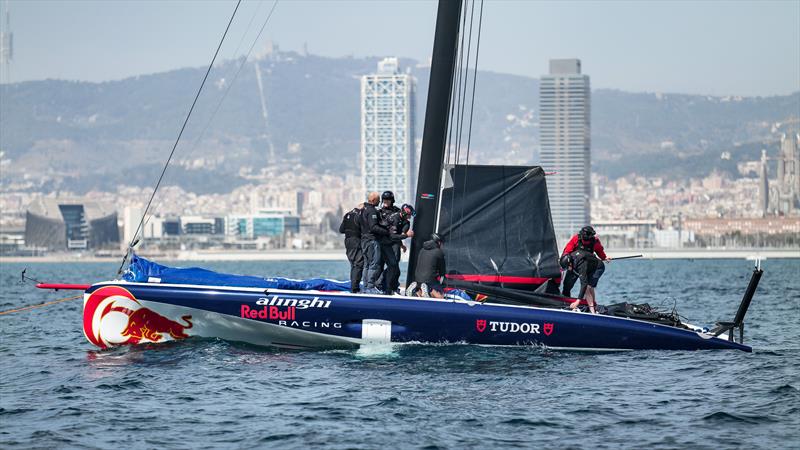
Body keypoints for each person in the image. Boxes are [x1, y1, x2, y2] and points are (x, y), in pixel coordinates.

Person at [559, 226, 610, 313]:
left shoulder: (595, 241)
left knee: (589, 287)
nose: (585, 241)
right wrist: (566, 261)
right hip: (573, 264)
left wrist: (604, 258)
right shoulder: (575, 239)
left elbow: (600, 251)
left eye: (588, 239)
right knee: (567, 286)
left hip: (587, 266)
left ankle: (592, 307)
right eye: (584, 239)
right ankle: (566, 304)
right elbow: (566, 251)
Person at [359, 192, 390, 294]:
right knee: (374, 264)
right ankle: (370, 287)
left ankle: (365, 286)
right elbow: (373, 227)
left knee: (367, 265)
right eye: (377, 200)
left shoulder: (363, 210)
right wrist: (386, 231)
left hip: (363, 240)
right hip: (371, 241)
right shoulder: (372, 211)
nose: (379, 202)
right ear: (373, 200)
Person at [382, 203, 415, 294]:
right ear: (404, 213)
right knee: (393, 266)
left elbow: (398, 234)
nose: (409, 217)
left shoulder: (405, 222)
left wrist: (401, 244)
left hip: (394, 243)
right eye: (409, 215)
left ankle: (392, 286)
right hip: (385, 244)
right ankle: (386, 287)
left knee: (395, 267)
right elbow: (393, 236)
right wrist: (406, 236)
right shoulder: (395, 219)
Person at [374, 191, 401, 292]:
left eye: (388, 200)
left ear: (392, 200)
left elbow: (401, 227)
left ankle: (392, 286)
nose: (386, 202)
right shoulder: (379, 212)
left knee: (394, 265)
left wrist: (401, 242)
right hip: (382, 242)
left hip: (394, 242)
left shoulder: (398, 211)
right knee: (379, 265)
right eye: (384, 200)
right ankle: (378, 285)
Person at [406, 233, 446, 299]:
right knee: (441, 296)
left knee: (422, 286)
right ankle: (428, 291)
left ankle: (416, 291)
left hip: (417, 280)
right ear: (439, 242)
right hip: (429, 281)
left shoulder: (422, 249)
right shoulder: (439, 252)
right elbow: (442, 272)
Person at [338, 203, 364, 293]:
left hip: (348, 242)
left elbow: (341, 230)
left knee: (353, 265)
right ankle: (355, 288)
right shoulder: (359, 215)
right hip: (356, 240)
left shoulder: (347, 215)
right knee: (358, 264)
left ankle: (353, 286)